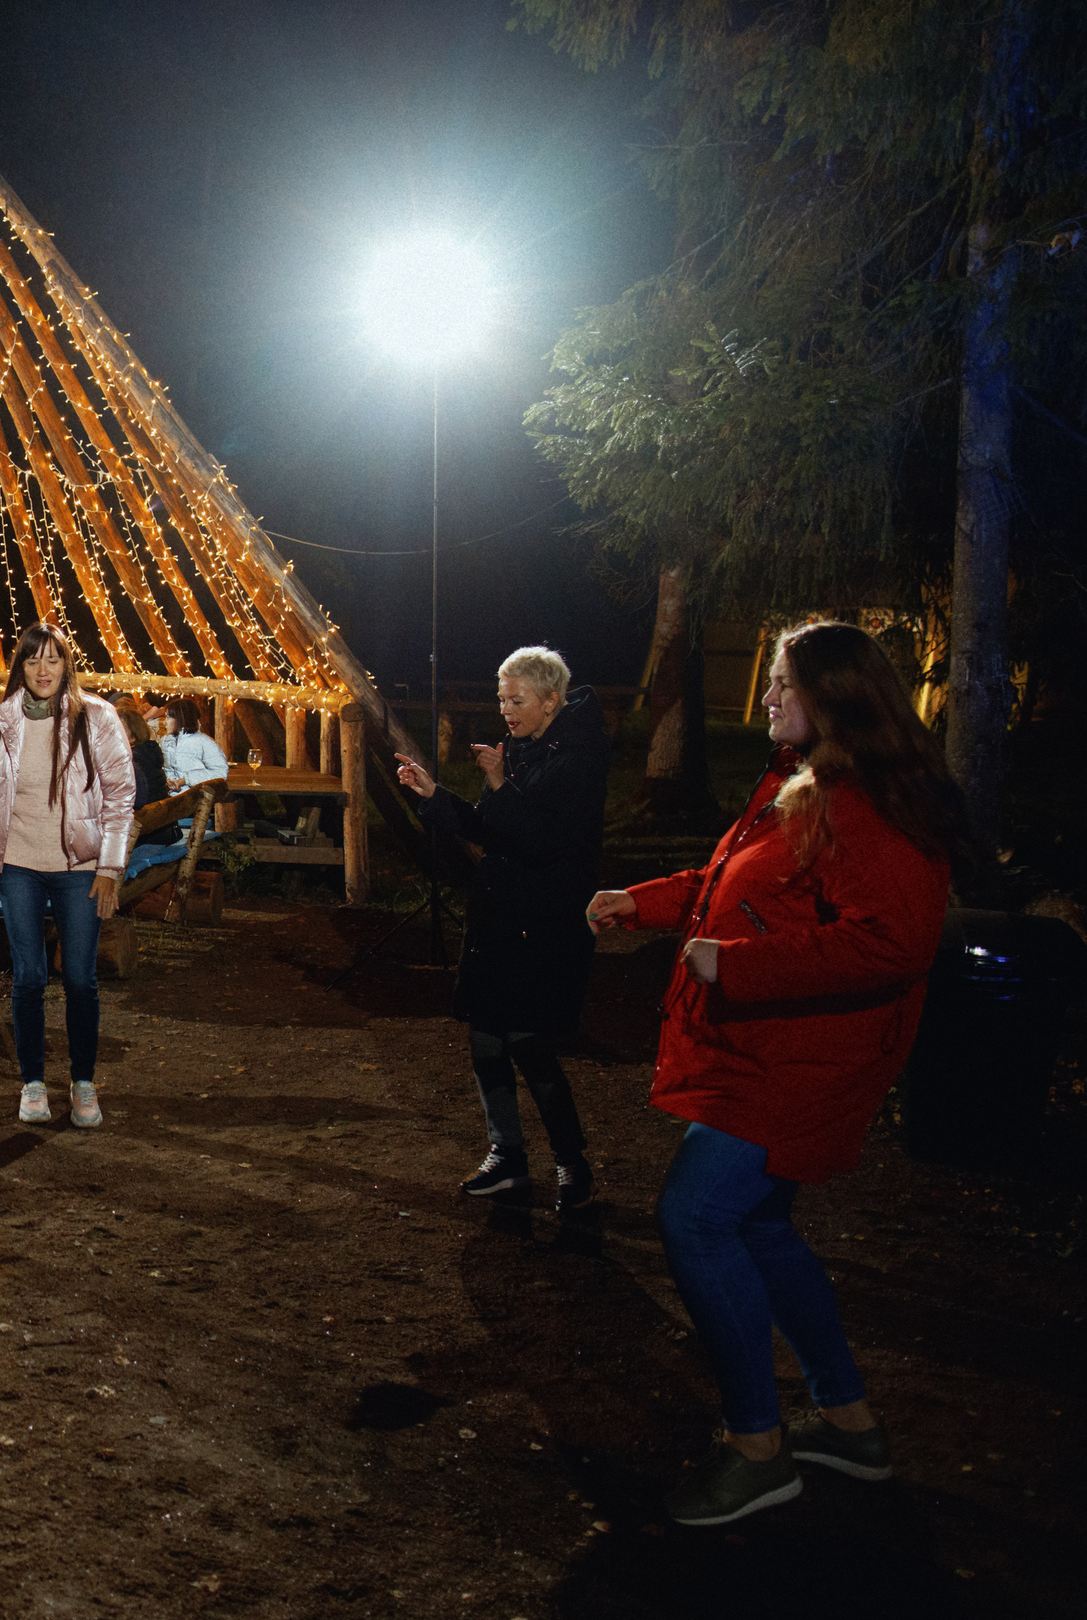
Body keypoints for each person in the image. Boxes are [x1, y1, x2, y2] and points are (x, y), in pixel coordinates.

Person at [587, 622, 962, 1526]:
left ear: (833, 697)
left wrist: (741, 968)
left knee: (696, 1215)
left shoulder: (866, 801)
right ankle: (848, 1420)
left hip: (799, 1061)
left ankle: (758, 1446)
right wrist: (642, 903)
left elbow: (894, 941)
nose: (765, 696)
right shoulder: (801, 785)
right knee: (757, 1227)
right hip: (766, 1049)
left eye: (782, 683)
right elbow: (734, 887)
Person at [394, 647, 612, 1209]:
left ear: (551, 702)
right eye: (501, 699)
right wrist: (434, 796)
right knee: (486, 1034)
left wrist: (497, 783)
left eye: (517, 701)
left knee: (529, 1041)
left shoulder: (579, 756)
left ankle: (572, 1166)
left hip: (541, 923)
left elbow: (540, 840)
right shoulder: (525, 747)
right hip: (501, 917)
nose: (506, 711)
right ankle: (507, 1157)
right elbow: (494, 830)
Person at [0, 623, 135, 1129]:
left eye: (52, 660)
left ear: (66, 664)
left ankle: (83, 1083)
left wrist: (110, 867)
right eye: (32, 661)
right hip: (20, 866)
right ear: (20, 668)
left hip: (80, 870)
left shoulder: (98, 718)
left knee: (79, 980)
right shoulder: (0, 724)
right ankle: (32, 1083)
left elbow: (120, 797)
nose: (43, 671)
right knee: (27, 978)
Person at [119, 703, 175, 845]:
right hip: (160, 830)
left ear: (133, 736)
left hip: (144, 838)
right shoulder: (149, 753)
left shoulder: (130, 762)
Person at [160, 698, 229, 794]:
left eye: (168, 717)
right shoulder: (165, 741)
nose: (164, 722)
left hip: (195, 799)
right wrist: (166, 780)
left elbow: (220, 773)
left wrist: (185, 780)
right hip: (167, 798)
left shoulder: (204, 742)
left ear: (180, 718)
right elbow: (163, 768)